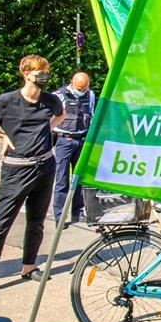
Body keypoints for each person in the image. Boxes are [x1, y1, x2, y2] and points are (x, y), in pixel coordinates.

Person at [0, 55, 64, 301]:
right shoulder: (7, 101)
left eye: (46, 71)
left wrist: (46, 130)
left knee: (37, 221)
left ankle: (29, 266)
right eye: (40, 72)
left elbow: (60, 115)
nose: (44, 76)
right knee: (1, 223)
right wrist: (1, 136)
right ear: (26, 73)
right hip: (16, 169)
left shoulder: (51, 100)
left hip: (45, 166)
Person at [51, 71, 95, 224]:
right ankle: (60, 217)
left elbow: (92, 115)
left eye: (84, 88)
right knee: (62, 180)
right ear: (72, 83)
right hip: (64, 140)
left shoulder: (90, 95)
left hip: (81, 139)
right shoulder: (59, 96)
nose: (81, 91)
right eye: (79, 88)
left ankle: (78, 212)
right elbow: (50, 119)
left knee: (78, 179)